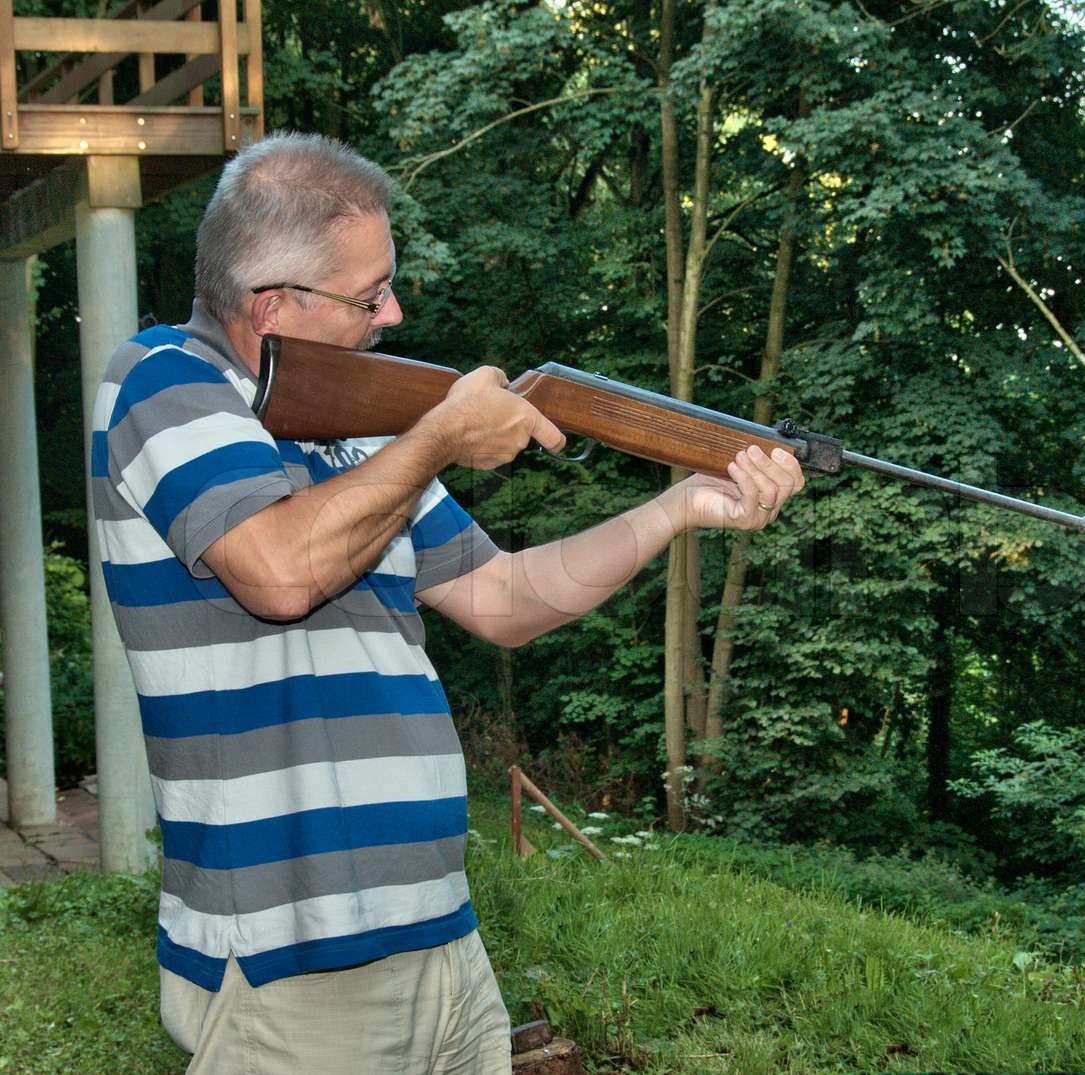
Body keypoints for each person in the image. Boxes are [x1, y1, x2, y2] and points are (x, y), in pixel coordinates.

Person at [91, 131, 804, 1073]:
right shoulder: (161, 383)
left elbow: (507, 597)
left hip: (441, 942)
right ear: (272, 307)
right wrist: (436, 437)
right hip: (291, 970)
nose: (394, 310)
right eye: (368, 292)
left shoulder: (362, 440)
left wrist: (679, 505)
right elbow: (277, 572)